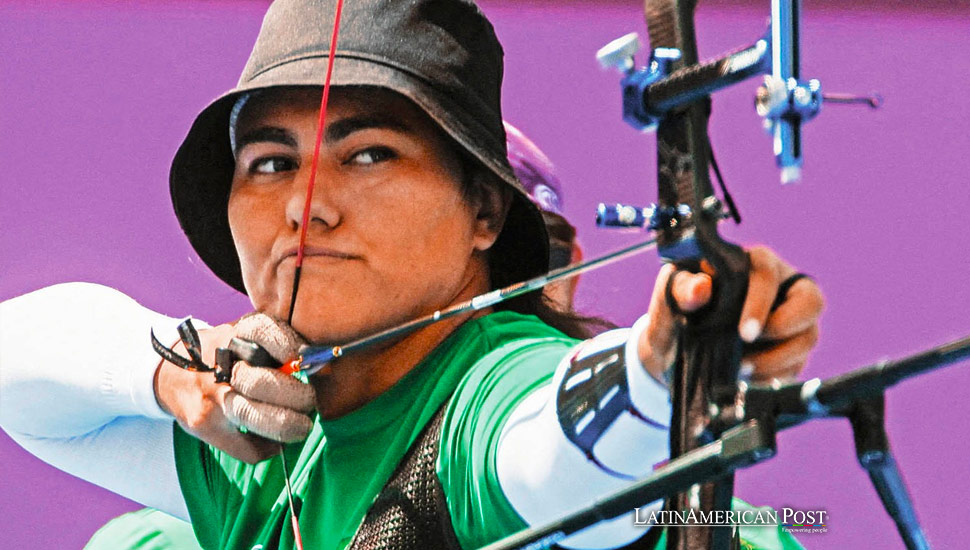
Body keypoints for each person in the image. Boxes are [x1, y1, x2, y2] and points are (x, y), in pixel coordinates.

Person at [0, 1, 823, 549]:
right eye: (269, 163)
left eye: (369, 154)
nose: (305, 205)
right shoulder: (261, 428)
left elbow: (541, 452)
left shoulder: (485, 386)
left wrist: (656, 373)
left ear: (486, 216)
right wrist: (173, 379)